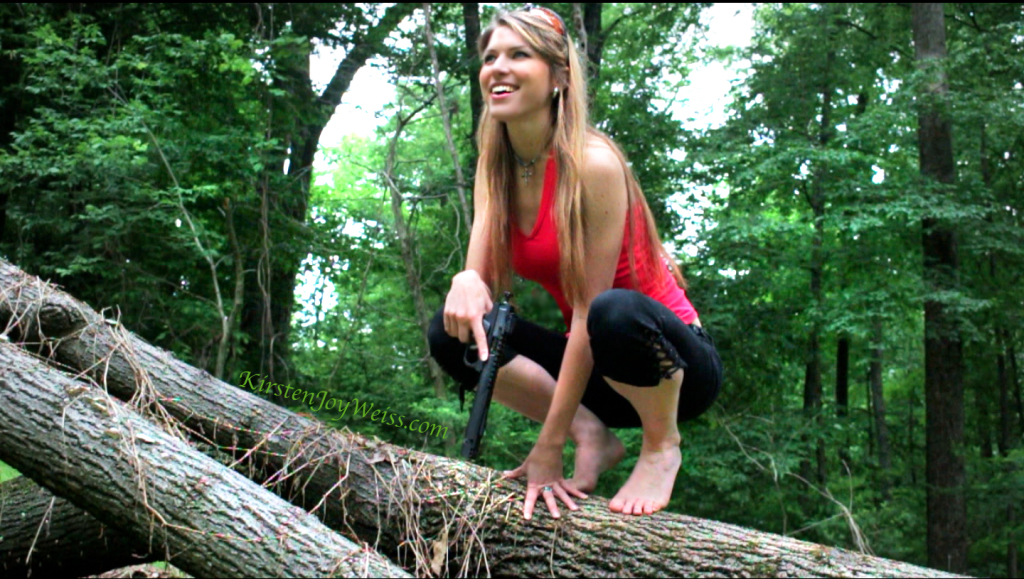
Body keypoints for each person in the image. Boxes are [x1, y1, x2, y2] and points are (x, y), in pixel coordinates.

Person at [428, 5, 723, 519]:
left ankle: (661, 445)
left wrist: (548, 445)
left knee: (613, 312)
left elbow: (590, 312)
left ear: (559, 76)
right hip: (595, 372)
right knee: (450, 331)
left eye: (519, 54)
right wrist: (465, 281)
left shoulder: (593, 164)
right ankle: (594, 434)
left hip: (667, 362)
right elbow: (480, 281)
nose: (498, 67)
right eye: (490, 55)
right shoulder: (494, 167)